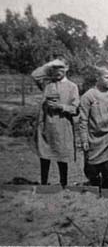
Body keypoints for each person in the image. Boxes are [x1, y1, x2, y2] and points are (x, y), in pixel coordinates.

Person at [31, 58, 79, 187]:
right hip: (46, 125)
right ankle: (44, 184)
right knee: (44, 155)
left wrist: (61, 107)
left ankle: (63, 183)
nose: (58, 71)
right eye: (55, 68)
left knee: (61, 155)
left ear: (67, 68)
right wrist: (49, 64)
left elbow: (75, 109)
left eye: (61, 68)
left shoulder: (72, 87)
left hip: (62, 125)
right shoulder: (48, 84)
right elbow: (35, 75)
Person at [79, 60, 108, 188]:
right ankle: (94, 189)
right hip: (94, 139)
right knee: (92, 171)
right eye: (107, 77)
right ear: (97, 77)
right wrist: (84, 140)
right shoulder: (88, 97)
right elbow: (82, 120)